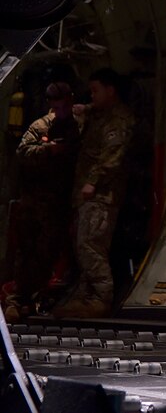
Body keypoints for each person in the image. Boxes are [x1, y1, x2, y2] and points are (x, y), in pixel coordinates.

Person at [54, 68, 136, 319]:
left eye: (95, 90)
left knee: (91, 245)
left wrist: (92, 182)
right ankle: (84, 296)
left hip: (102, 195)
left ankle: (101, 296)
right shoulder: (100, 115)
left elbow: (112, 158)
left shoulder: (119, 120)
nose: (92, 96)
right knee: (82, 245)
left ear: (110, 90)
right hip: (87, 195)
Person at [3, 82, 81, 321]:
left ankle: (35, 296)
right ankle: (19, 299)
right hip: (35, 200)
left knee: (50, 252)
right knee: (28, 251)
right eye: (56, 107)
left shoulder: (80, 123)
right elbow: (22, 152)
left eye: (65, 105)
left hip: (61, 201)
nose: (61, 111)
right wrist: (49, 150)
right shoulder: (41, 126)